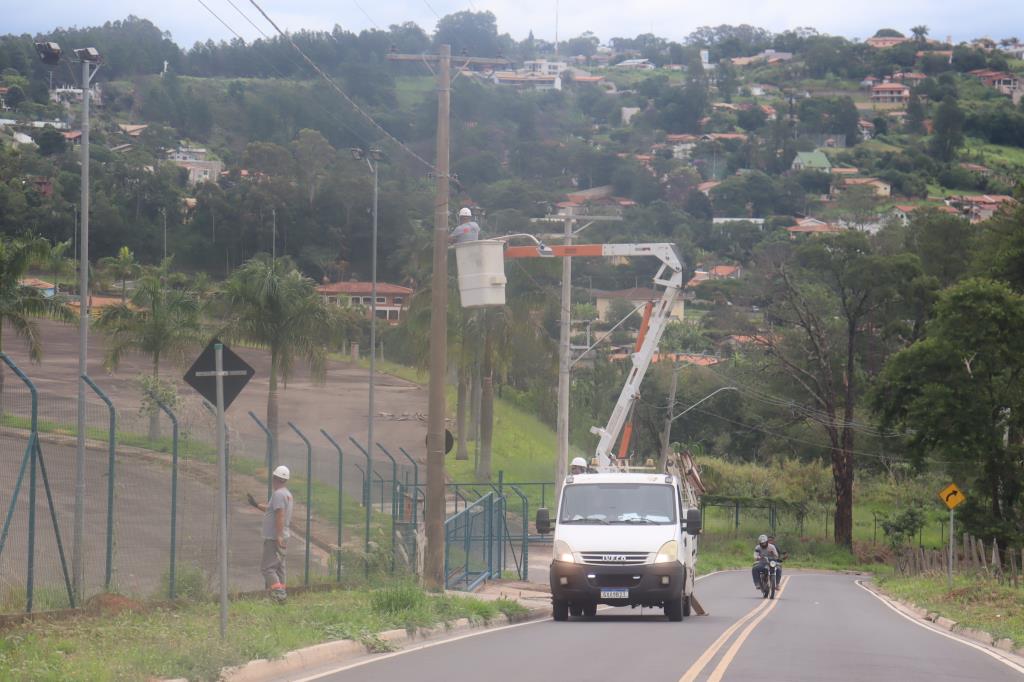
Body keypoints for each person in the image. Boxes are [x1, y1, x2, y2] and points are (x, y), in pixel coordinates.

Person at [247, 465, 294, 602]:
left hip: (275, 537)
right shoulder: (287, 494)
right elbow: (271, 509)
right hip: (283, 535)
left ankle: (279, 595)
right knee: (279, 568)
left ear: (274, 478)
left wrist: (278, 535)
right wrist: (256, 504)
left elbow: (279, 515)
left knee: (267, 568)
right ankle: (280, 593)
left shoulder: (278, 494)